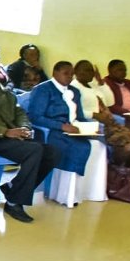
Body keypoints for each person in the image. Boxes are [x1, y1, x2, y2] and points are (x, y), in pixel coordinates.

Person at [0, 54, 59, 223]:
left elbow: (19, 112)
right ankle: (14, 202)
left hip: (12, 136)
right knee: (35, 151)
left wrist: (24, 128)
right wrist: (4, 131)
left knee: (53, 152)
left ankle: (13, 187)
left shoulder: (4, 90)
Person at [27, 61, 107, 206]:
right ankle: (66, 195)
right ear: (55, 73)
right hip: (53, 131)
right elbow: (35, 117)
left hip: (73, 129)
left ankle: (90, 192)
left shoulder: (74, 91)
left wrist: (89, 128)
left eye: (71, 74)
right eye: (66, 73)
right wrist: (62, 126)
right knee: (79, 148)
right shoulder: (43, 90)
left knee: (99, 146)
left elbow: (80, 116)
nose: (70, 77)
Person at [71, 60, 130, 162]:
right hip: (89, 120)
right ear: (77, 72)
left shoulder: (93, 85)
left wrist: (101, 83)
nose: (90, 73)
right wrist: (94, 115)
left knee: (126, 135)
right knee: (118, 138)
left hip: (106, 118)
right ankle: (108, 161)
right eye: (86, 70)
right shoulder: (74, 87)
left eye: (92, 70)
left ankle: (118, 164)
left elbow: (110, 102)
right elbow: (75, 111)